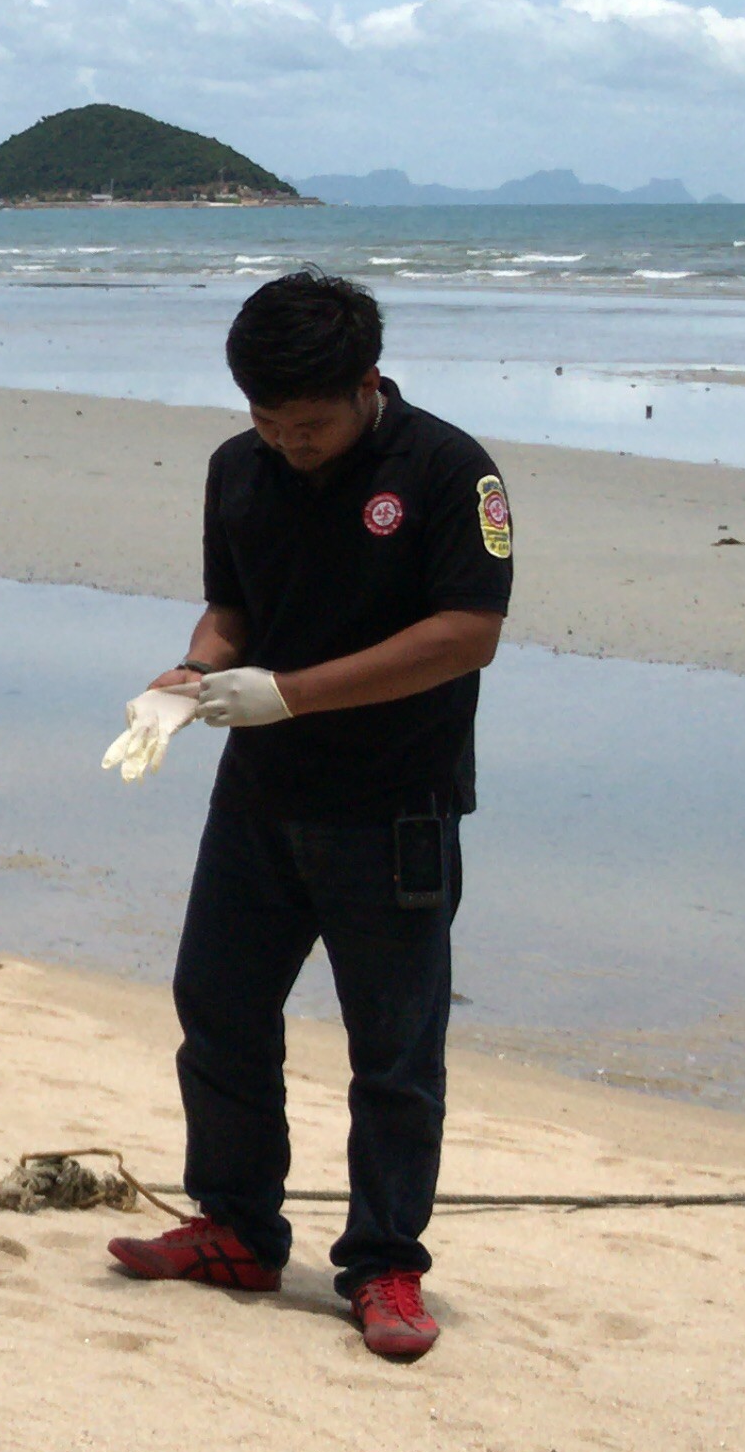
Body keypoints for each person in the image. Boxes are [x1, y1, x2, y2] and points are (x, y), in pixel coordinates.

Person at [100, 271, 510, 1361]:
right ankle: (235, 1226)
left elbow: (467, 631)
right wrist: (188, 677)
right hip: (260, 798)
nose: (289, 442)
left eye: (311, 423)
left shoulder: (445, 468)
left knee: (393, 1047)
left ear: (367, 382)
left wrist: (291, 691)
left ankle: (383, 1263)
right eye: (268, 420)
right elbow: (232, 611)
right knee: (218, 1006)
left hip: (393, 803)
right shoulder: (238, 468)